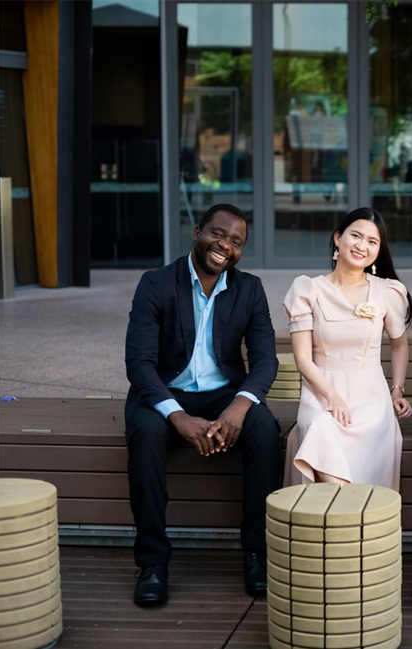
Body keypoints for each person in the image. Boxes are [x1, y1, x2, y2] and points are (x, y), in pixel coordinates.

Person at [124, 203, 280, 607]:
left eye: (236, 241)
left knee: (265, 430)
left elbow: (265, 360)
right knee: (145, 431)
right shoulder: (156, 283)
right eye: (217, 234)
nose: (224, 246)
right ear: (197, 231)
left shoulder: (249, 288)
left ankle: (256, 554)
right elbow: (138, 363)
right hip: (164, 391)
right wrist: (177, 416)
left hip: (224, 394)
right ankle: (153, 563)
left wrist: (239, 407)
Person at [282, 207, 412, 489]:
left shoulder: (386, 291)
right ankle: (348, 521)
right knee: (320, 427)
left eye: (372, 241)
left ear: (378, 251)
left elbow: (399, 345)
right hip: (321, 394)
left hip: (371, 400)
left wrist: (397, 390)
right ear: (338, 237)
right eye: (355, 236)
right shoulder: (308, 289)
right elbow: (303, 358)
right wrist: (332, 397)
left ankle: (349, 523)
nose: (361, 246)